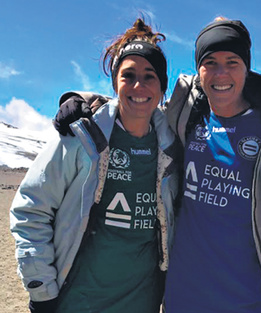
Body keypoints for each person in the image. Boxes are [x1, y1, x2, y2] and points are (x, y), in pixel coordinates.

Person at [53, 17, 261, 313]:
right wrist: (84, 101)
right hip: (183, 298)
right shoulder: (187, 114)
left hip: (252, 302)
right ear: (198, 69)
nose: (221, 73)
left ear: (247, 66)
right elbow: (138, 105)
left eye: (232, 62)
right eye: (210, 62)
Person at [10, 17, 180, 313]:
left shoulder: (172, 146)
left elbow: (211, 89)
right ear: (116, 82)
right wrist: (41, 289)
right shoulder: (81, 137)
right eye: (129, 75)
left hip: (143, 302)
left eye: (150, 75)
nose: (139, 85)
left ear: (162, 86)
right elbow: (31, 209)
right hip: (76, 302)